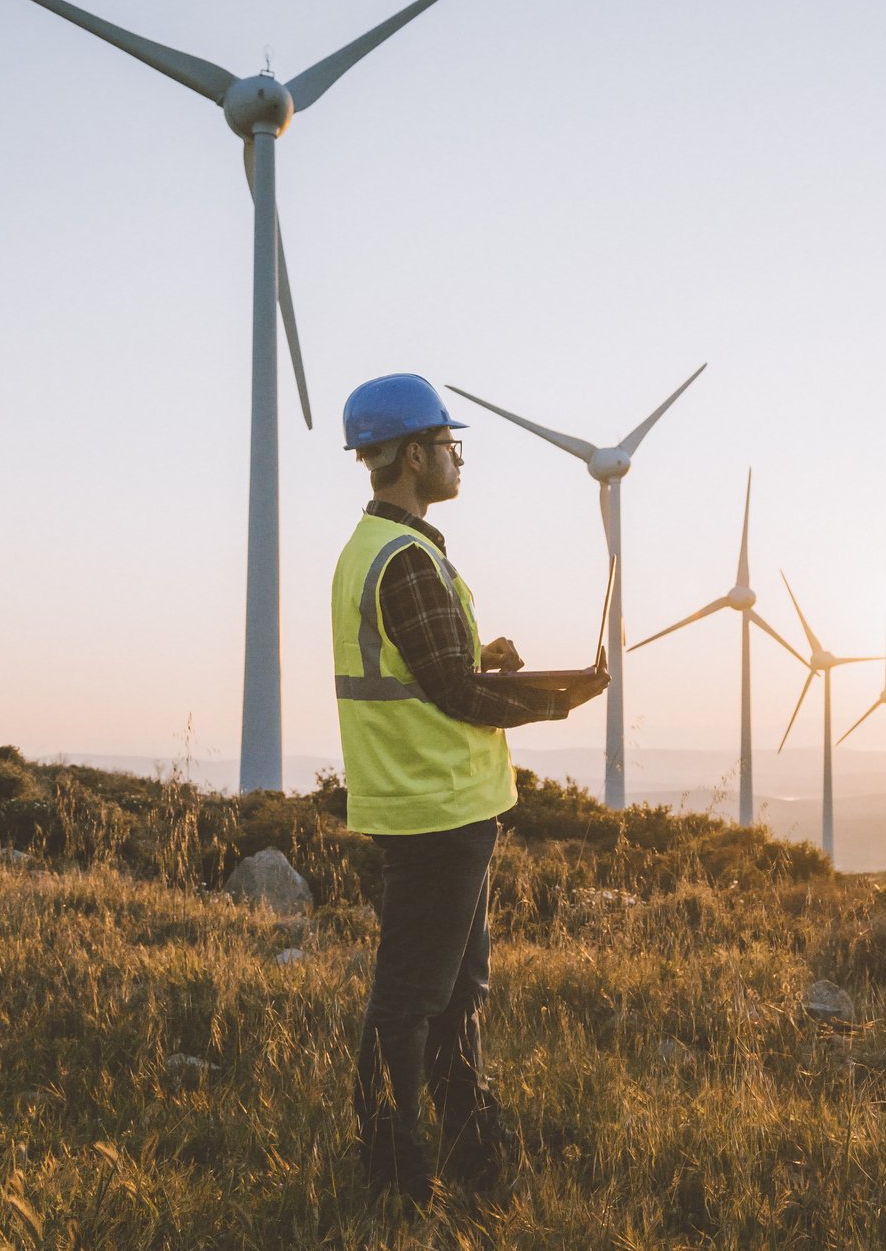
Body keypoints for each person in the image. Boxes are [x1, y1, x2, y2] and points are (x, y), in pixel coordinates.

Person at [331, 372, 608, 1206]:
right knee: (416, 998)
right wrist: (555, 698)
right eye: (450, 444)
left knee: (452, 995)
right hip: (435, 809)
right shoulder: (406, 560)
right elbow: (451, 693)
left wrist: (490, 666)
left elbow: (432, 675)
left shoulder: (383, 552)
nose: (459, 458)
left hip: (436, 804)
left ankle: (473, 1154)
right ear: (414, 456)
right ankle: (394, 1173)